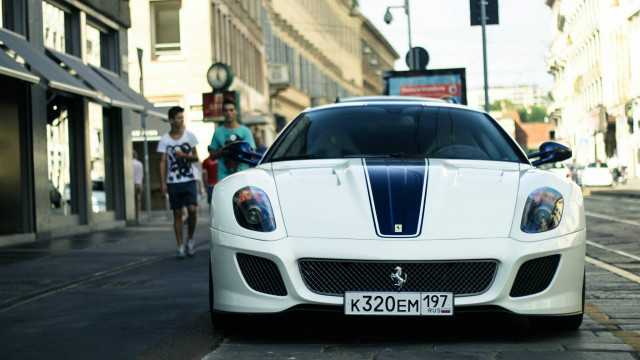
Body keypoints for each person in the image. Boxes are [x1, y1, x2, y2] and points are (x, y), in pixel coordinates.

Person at [157, 106, 200, 259]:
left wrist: (184, 156)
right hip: (173, 182)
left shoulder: (189, 136)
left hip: (188, 178)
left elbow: (196, 157)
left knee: (192, 210)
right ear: (171, 121)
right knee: (176, 213)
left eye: (183, 117)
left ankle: (190, 239)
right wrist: (163, 184)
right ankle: (180, 245)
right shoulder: (165, 140)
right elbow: (162, 162)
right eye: (179, 118)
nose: (182, 120)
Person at [208, 98, 256, 182]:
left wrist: (239, 150)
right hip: (223, 176)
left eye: (231, 110)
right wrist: (224, 150)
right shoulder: (218, 132)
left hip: (242, 175)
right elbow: (212, 156)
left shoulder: (245, 131)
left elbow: (253, 154)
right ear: (223, 113)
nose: (229, 113)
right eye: (226, 110)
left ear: (236, 111)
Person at [132, 151, 143, 225]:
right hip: (139, 183)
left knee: (131, 202)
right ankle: (137, 218)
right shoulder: (140, 163)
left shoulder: (130, 164)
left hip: (133, 184)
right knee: (138, 202)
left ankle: (132, 218)